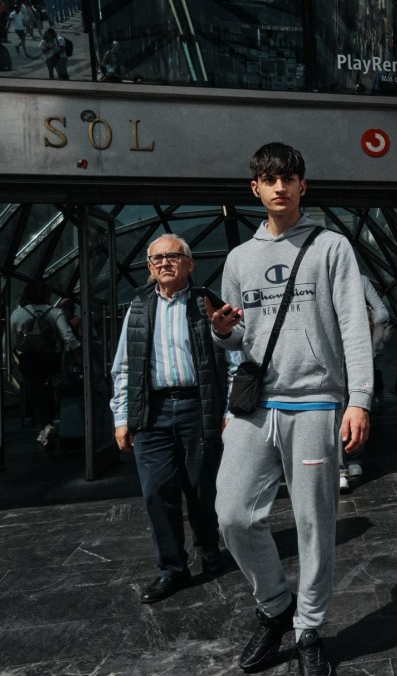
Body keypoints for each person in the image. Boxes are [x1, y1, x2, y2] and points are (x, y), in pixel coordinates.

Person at [210, 142, 373, 676]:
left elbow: (354, 326)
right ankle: (275, 605)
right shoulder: (239, 259)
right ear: (254, 189)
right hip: (255, 406)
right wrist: (222, 332)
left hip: (315, 404)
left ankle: (308, 628)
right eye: (269, 179)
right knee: (233, 514)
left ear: (304, 185)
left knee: (313, 523)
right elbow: (237, 342)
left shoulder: (331, 248)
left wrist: (359, 401)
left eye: (289, 178)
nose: (280, 186)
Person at [109, 234, 235, 604]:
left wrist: (228, 411)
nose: (164, 262)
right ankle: (172, 569)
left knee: (201, 486)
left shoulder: (206, 302)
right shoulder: (138, 307)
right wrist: (122, 417)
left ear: (190, 264)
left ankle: (209, 547)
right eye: (156, 258)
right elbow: (124, 367)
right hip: (152, 411)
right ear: (149, 267)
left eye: (173, 256)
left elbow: (232, 359)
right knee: (157, 493)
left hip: (199, 407)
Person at [9, 280, 80, 447]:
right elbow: (68, 337)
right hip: (50, 357)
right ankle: (49, 424)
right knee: (50, 389)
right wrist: (79, 356)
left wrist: (7, 358)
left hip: (27, 358)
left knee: (35, 391)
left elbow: (9, 341)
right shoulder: (54, 312)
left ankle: (46, 425)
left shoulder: (18, 314)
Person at [339, 274, 389, 491]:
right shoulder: (359, 279)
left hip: (342, 354)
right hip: (352, 354)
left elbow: (382, 313)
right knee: (352, 406)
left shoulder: (355, 279)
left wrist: (362, 324)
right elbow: (383, 312)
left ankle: (344, 467)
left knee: (342, 407)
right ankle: (353, 462)